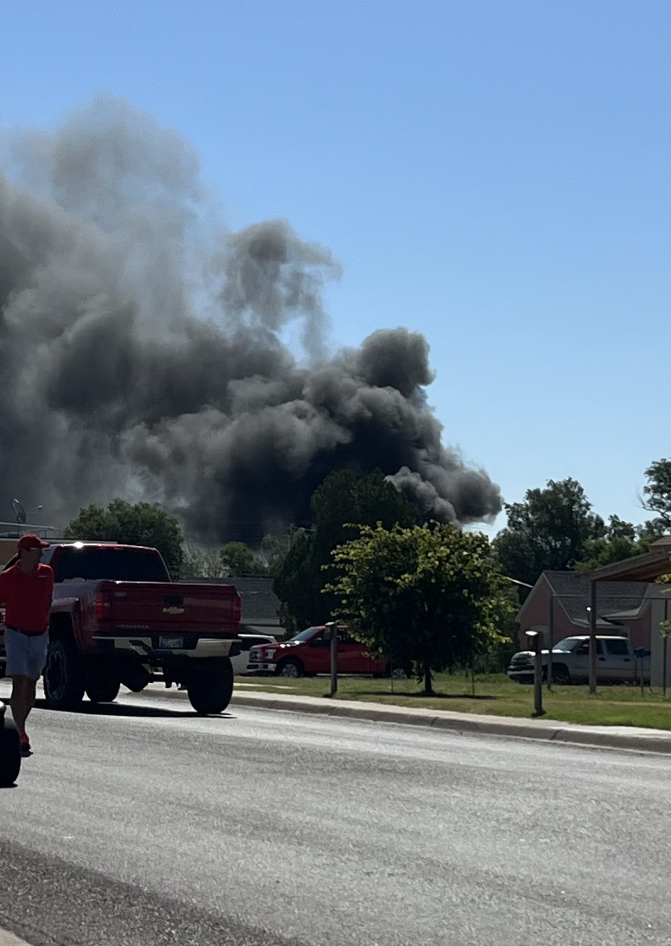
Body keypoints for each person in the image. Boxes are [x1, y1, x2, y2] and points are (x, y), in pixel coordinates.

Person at [0, 534, 53, 756]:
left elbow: (48, 601)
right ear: (25, 552)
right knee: (19, 682)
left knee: (31, 684)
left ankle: (21, 725)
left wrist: (44, 624)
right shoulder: (7, 577)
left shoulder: (46, 573)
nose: (41, 553)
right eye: (37, 549)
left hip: (39, 634)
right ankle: (20, 732)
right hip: (16, 634)